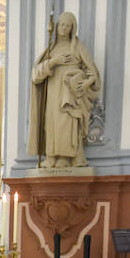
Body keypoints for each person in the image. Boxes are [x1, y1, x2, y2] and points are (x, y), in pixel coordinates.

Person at [27, 12, 101, 169]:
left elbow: (93, 73)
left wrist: (86, 83)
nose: (64, 28)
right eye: (62, 24)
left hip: (69, 95)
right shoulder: (51, 49)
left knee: (67, 125)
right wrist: (54, 62)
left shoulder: (77, 47)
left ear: (72, 29)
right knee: (51, 124)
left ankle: (67, 158)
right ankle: (51, 156)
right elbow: (36, 75)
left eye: (68, 25)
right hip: (53, 94)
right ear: (57, 26)